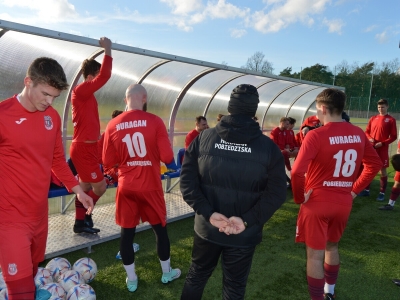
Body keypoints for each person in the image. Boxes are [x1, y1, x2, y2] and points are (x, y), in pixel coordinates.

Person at [180, 84, 287, 300]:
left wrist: (209, 214)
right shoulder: (269, 148)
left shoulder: (203, 139)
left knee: (197, 276)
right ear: (254, 110)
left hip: (208, 228)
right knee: (234, 287)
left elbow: (188, 184)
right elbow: (276, 193)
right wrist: (245, 221)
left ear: (230, 106)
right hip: (243, 233)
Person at [0, 57, 93, 300]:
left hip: (39, 217)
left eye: (54, 97)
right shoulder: (3, 115)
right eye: (45, 94)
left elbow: (57, 161)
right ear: (28, 82)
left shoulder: (51, 117)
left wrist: (78, 190)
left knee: (31, 274)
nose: (49, 102)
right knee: (21, 292)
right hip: (9, 219)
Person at [291, 88, 382, 300]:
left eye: (317, 110)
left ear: (323, 108)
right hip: (343, 201)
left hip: (317, 202)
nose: (316, 114)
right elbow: (374, 164)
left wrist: (298, 198)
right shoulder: (358, 133)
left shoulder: (316, 135)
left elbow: (296, 172)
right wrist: (354, 191)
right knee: (332, 246)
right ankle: (329, 292)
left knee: (314, 255)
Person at [102, 84, 181, 293]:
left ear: (125, 99)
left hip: (126, 187)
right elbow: (167, 157)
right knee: (160, 231)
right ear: (144, 98)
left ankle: (132, 279)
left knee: (126, 235)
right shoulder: (154, 121)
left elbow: (107, 161)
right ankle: (166, 273)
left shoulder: (112, 124)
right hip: (150, 186)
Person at [70, 37, 113, 234]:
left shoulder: (87, 95)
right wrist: (108, 50)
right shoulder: (81, 90)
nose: (98, 82)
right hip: (83, 148)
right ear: (91, 76)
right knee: (101, 187)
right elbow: (104, 76)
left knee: (86, 185)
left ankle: (80, 223)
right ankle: (87, 215)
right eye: (96, 77)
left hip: (88, 147)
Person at [358, 99, 397, 201]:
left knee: (382, 171)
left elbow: (394, 136)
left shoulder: (391, 120)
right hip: (371, 148)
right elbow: (366, 132)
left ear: (387, 107)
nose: (381, 109)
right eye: (379, 107)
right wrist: (369, 138)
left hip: (382, 149)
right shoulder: (373, 118)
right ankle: (366, 190)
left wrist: (383, 143)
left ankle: (382, 193)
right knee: (369, 168)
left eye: (383, 107)